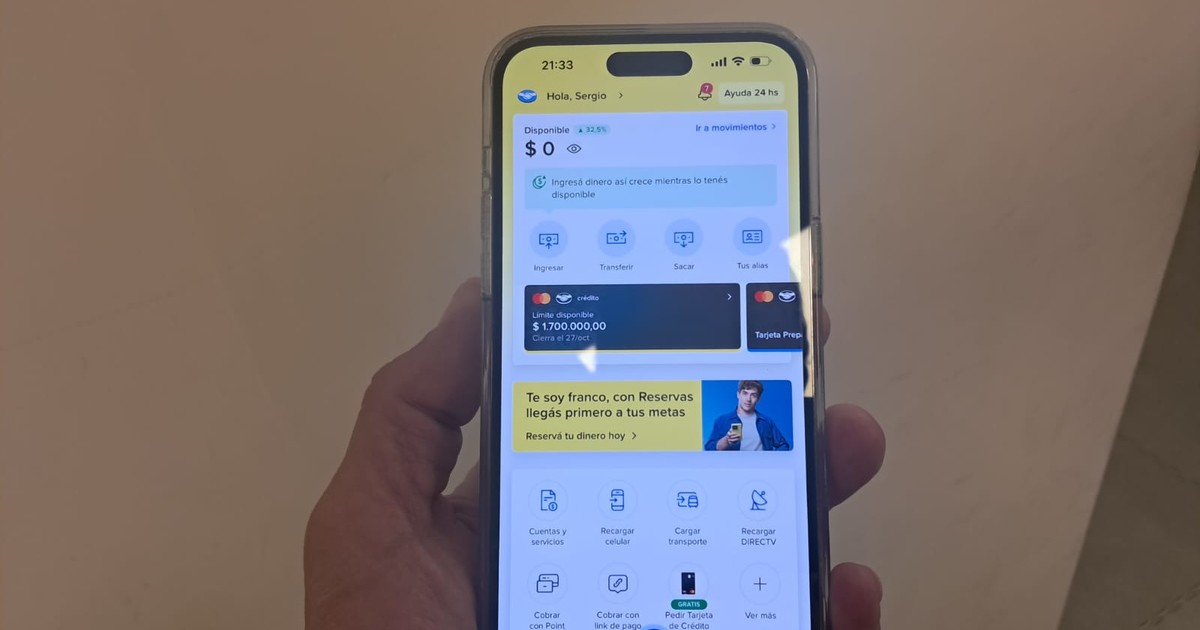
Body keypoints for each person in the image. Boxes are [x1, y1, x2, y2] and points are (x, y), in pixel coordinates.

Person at [305, 279, 886, 629]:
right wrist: (720, 444)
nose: (751, 397)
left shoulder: (775, 426)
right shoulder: (719, 422)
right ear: (739, 395)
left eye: (755, 393)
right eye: (747, 392)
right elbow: (710, 446)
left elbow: (782, 451)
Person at [704, 380, 791, 451]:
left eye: (753, 395)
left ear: (758, 399)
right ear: (738, 394)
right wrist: (726, 441)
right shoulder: (722, 421)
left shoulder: (767, 422)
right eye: (745, 393)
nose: (748, 399)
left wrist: (771, 462)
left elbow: (783, 445)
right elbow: (708, 449)